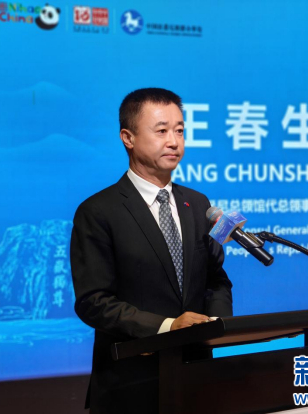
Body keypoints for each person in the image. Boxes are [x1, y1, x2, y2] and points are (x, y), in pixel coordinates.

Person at [70, 88, 233, 413]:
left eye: (179, 131)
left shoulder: (197, 203)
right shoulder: (98, 211)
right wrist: (167, 327)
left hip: (197, 377)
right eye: (161, 131)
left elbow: (216, 280)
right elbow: (93, 301)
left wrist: (217, 325)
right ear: (128, 138)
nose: (173, 141)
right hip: (131, 384)